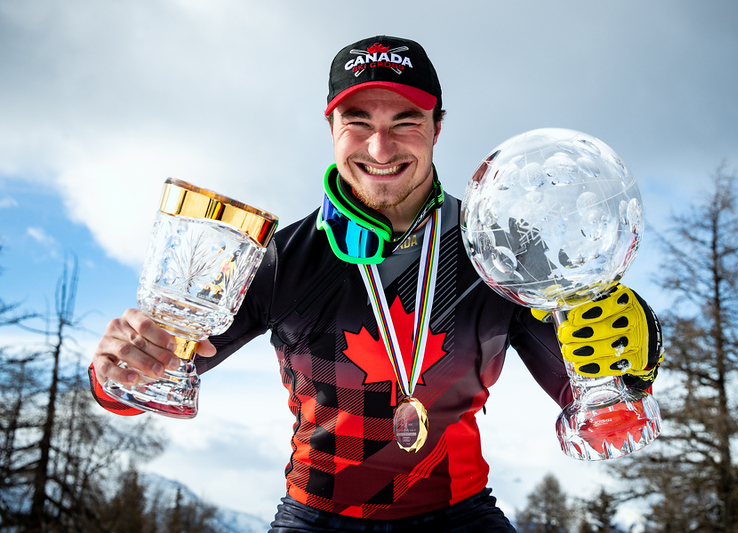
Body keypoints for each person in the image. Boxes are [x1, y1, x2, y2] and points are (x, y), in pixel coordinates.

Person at [90, 35, 664, 532]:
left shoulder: (502, 253)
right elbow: (160, 372)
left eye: (406, 122)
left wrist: (623, 377)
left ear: (438, 127)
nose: (380, 148)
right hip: (316, 516)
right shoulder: (280, 258)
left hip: (460, 514)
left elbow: (592, 404)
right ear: (332, 128)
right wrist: (121, 362)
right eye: (357, 122)